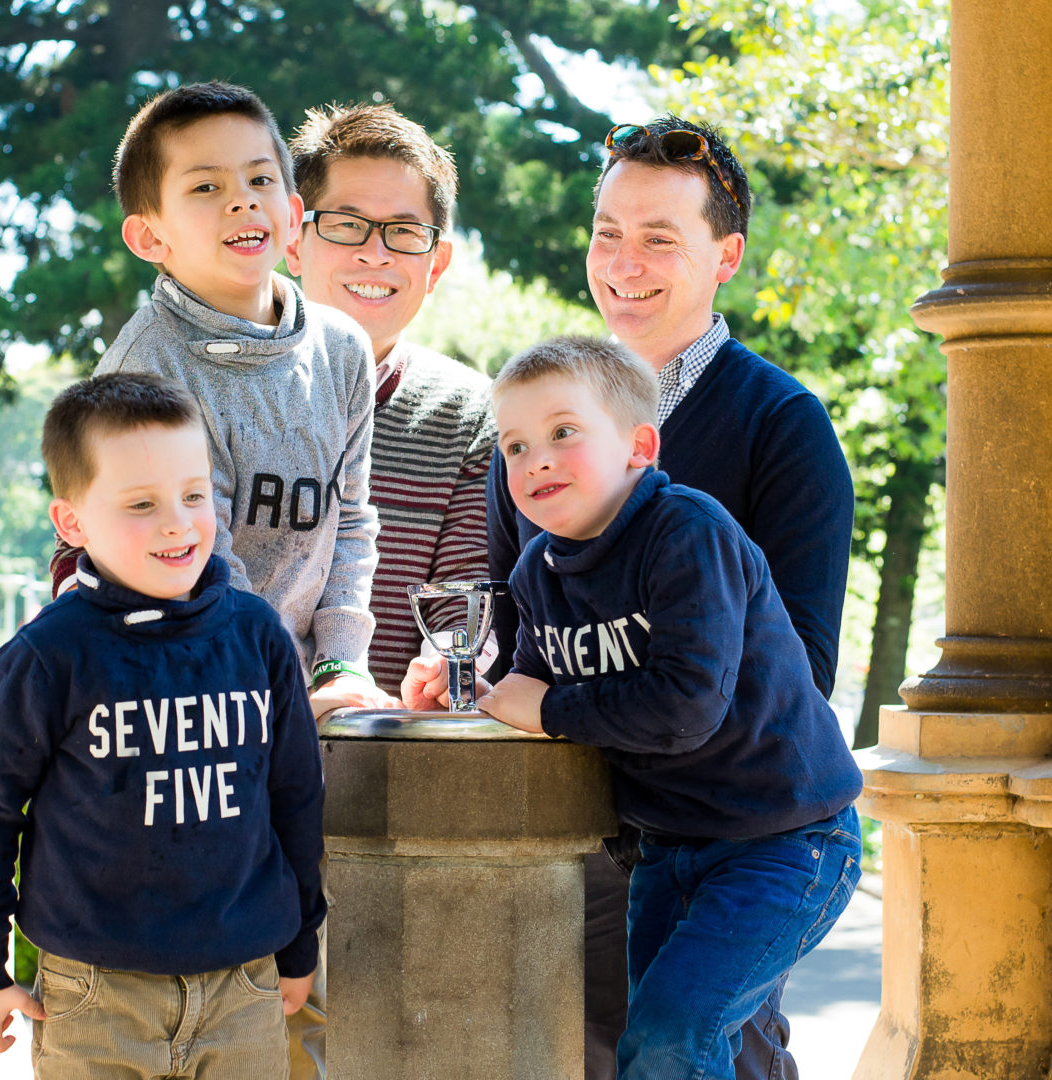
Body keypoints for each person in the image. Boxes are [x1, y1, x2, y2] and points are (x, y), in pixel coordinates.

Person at [405, 116, 855, 1079]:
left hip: (748, 824)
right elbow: (516, 624)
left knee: (704, 1044)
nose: (626, 260)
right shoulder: (534, 429)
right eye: (610, 231)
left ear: (724, 255)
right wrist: (461, 672)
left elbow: (798, 669)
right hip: (601, 818)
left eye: (661, 238)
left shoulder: (780, 424)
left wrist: (578, 703)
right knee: (609, 1051)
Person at [475, 335, 863, 1079]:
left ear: (639, 446)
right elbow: (529, 688)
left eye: (564, 433)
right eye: (515, 446)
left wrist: (550, 708)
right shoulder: (538, 571)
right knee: (652, 1043)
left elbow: (686, 705)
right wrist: (478, 696)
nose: (536, 460)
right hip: (669, 844)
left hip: (784, 838)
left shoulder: (689, 533)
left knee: (674, 1036)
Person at [0, 373, 325, 1079]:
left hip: (244, 985)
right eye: (141, 505)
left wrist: (300, 946)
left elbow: (296, 800)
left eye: (194, 495)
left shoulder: (257, 637)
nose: (178, 522)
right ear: (72, 523)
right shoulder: (43, 660)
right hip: (94, 998)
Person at [49, 81, 394, 720]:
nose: (242, 202)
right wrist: (276, 683)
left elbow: (349, 516)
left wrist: (340, 663)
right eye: (206, 187)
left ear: (293, 212)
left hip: (295, 689)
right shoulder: (147, 370)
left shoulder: (342, 348)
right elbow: (198, 550)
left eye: (260, 181)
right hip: (172, 686)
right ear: (149, 237)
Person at [286, 102, 495, 692]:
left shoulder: (474, 415)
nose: (374, 253)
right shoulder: (205, 391)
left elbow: (465, 602)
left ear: (437, 263)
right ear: (292, 239)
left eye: (404, 232)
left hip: (384, 759)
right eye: (346, 224)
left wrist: (452, 673)